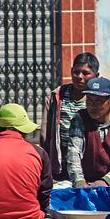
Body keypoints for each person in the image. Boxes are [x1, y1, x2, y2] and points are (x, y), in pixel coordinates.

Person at [66, 77, 110, 188]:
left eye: (98, 102)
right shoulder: (80, 118)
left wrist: (106, 181)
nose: (92, 106)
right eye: (89, 100)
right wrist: (79, 181)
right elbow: (74, 152)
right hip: (87, 183)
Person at [40, 52, 100, 181]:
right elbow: (46, 133)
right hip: (61, 164)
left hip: (87, 166)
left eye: (86, 73)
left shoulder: (98, 100)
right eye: (76, 72)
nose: (79, 77)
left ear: (96, 75)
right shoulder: (57, 96)